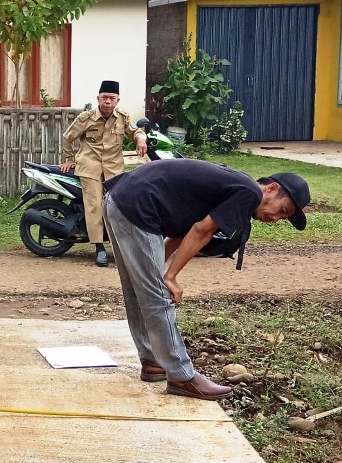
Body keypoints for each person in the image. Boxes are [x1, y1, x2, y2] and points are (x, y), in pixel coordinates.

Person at [102, 158, 310, 401]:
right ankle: (182, 376)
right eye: (282, 210)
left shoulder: (232, 185)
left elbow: (186, 231)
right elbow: (202, 231)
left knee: (142, 291)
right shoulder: (249, 192)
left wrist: (156, 274)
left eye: (283, 218)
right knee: (158, 297)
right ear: (272, 189)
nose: (276, 219)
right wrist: (168, 278)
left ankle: (153, 362)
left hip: (120, 199)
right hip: (137, 207)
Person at [61, 80, 147, 267]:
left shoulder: (123, 117)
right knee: (94, 206)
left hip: (114, 169)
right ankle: (99, 248)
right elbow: (68, 138)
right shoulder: (86, 118)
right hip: (89, 167)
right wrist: (69, 159)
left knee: (117, 206)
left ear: (117, 100)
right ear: (98, 98)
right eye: (104, 97)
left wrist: (141, 139)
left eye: (112, 98)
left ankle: (119, 246)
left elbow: (136, 131)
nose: (108, 101)